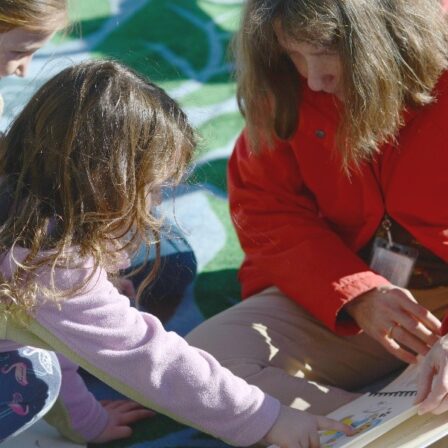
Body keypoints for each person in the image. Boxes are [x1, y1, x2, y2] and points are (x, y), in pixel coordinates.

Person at [0, 59, 351, 447]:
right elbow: (147, 358)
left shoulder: (25, 199)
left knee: (169, 262)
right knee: (32, 377)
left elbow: (45, 319)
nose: (152, 208)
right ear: (106, 183)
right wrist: (266, 418)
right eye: (151, 191)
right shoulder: (48, 264)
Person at [186, 0, 448, 419]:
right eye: (294, 53)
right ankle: (370, 427)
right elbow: (265, 207)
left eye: (329, 51)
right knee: (198, 369)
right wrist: (356, 294)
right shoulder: (285, 85)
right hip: (361, 296)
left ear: (392, 33)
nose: (313, 78)